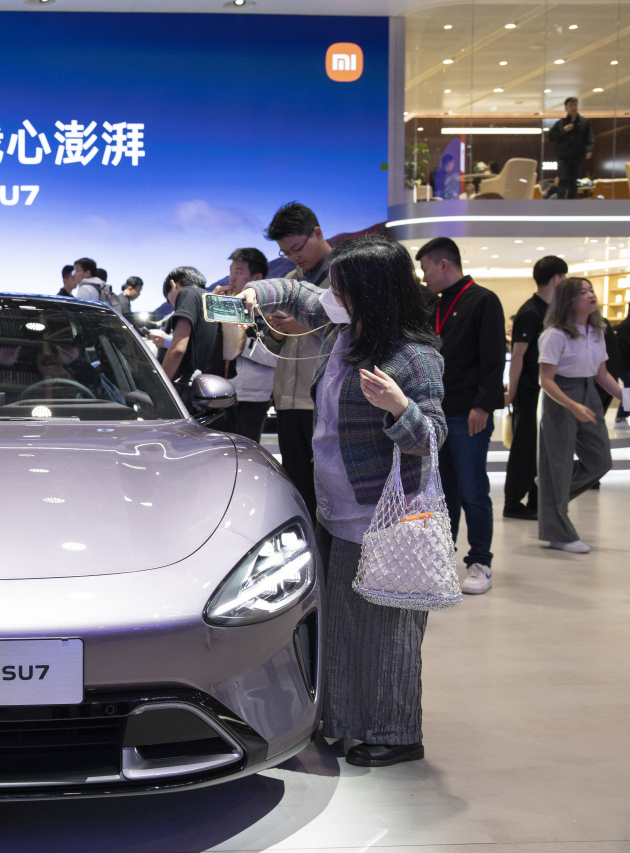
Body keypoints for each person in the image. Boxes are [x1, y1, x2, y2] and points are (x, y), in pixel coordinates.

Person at [237, 233, 447, 768]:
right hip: (333, 507)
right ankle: (346, 722)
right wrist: (257, 292)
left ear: (371, 293)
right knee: (344, 628)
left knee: (387, 631)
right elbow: (295, 295)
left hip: (382, 516)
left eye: (342, 287)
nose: (330, 294)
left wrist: (401, 409)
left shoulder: (412, 357)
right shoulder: (342, 331)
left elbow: (432, 437)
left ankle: (398, 733)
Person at [416, 237, 505, 595]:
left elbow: (492, 357)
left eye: (425, 270)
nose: (424, 278)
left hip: (468, 413)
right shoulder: (436, 304)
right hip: (437, 413)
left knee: (472, 490)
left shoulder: (482, 300)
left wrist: (483, 405)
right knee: (443, 492)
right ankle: (443, 558)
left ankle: (480, 561)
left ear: (443, 264)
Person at [537, 278, 626, 553]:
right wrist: (572, 405)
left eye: (591, 291)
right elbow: (546, 380)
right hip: (561, 395)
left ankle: (551, 491)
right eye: (583, 292)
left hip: (589, 391)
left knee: (601, 461)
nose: (590, 295)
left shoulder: (597, 330)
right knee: (560, 464)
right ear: (568, 300)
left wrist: (625, 397)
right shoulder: (555, 334)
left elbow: (601, 373)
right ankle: (559, 533)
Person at [261, 202, 331, 518]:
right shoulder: (290, 278)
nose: (294, 257)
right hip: (287, 398)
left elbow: (350, 331)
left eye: (297, 248)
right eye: (287, 252)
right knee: (297, 482)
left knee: (326, 486)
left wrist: (301, 325)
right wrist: (276, 328)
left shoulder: (343, 274)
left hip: (321, 399)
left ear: (317, 233)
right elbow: (277, 338)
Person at [503, 256, 567, 519]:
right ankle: (513, 502)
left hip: (543, 390)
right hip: (531, 391)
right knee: (525, 448)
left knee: (540, 448)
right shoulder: (531, 312)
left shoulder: (550, 310)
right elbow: (518, 356)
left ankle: (534, 500)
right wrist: (513, 392)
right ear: (556, 278)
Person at [226, 249, 278, 443]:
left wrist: (240, 344)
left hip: (255, 398)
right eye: (230, 271)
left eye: (238, 272)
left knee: (247, 449)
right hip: (224, 392)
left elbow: (277, 356)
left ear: (257, 278)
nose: (231, 278)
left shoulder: (272, 309)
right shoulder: (226, 306)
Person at [156, 267, 224, 402]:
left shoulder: (187, 292)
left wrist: (159, 386)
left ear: (173, 284)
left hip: (191, 390)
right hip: (216, 389)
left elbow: (177, 349)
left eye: (171, 302)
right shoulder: (214, 301)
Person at [548, 97, 594, 200]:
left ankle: (571, 203)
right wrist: (564, 130)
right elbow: (551, 137)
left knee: (573, 180)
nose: (573, 107)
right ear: (566, 108)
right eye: (570, 105)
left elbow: (590, 138)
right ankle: (561, 203)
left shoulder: (584, 122)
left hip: (577, 155)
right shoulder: (561, 123)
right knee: (563, 179)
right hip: (563, 156)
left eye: (575, 105)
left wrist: (589, 150)